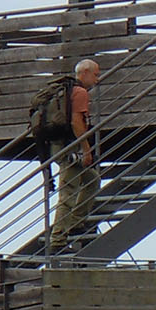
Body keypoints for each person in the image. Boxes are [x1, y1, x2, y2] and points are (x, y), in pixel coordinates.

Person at [51, 58, 101, 248]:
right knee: (68, 193)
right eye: (95, 75)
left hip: (59, 145)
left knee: (92, 180)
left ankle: (75, 223)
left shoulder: (66, 91)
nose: (97, 79)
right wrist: (86, 149)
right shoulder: (79, 92)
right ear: (85, 73)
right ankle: (58, 240)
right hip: (71, 147)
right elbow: (77, 123)